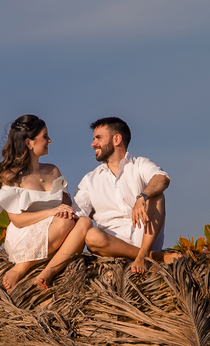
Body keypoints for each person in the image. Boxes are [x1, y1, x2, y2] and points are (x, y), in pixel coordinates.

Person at [0, 115, 95, 290]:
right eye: (45, 136)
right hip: (25, 234)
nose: (49, 140)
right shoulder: (12, 175)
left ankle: (47, 273)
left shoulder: (53, 170)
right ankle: (21, 268)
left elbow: (66, 203)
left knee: (85, 222)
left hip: (58, 229)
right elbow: (17, 220)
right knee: (65, 222)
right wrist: (51, 212)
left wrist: (65, 210)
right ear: (29, 142)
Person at [74, 117, 173, 274]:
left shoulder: (139, 164)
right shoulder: (89, 180)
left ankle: (144, 253)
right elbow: (78, 215)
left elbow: (162, 179)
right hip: (111, 244)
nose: (93, 144)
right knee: (91, 235)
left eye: (98, 138)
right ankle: (152, 257)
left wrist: (142, 196)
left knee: (157, 195)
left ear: (116, 139)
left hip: (144, 236)